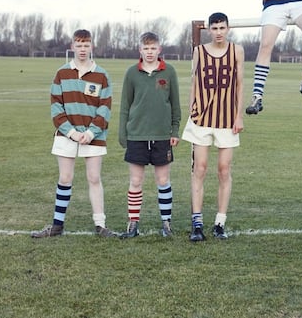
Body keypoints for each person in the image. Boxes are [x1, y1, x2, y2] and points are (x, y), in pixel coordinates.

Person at [32, 29, 116, 238]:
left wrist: (90, 133)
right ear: (72, 47)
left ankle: (100, 225)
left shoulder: (102, 75)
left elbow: (105, 108)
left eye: (86, 45)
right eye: (78, 45)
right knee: (65, 177)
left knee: (94, 178)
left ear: (91, 47)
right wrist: (71, 133)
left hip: (93, 136)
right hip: (66, 135)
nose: (82, 49)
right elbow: (56, 109)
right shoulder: (62, 73)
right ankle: (57, 225)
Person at [182, 12, 245, 242]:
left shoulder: (236, 50)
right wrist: (192, 110)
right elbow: (193, 82)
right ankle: (196, 223)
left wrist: (238, 116)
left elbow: (239, 84)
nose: (218, 32)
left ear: (228, 28)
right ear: (209, 29)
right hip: (202, 118)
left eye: (222, 28)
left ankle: (220, 222)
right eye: (215, 28)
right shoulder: (198, 51)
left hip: (227, 119)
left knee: (223, 169)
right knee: (199, 168)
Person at [118, 32, 181, 238]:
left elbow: (175, 104)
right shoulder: (131, 73)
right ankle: (133, 223)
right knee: (136, 181)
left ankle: (166, 223)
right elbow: (125, 106)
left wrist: (174, 130)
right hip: (136, 134)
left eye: (153, 48)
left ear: (159, 49)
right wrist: (123, 132)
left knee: (163, 180)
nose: (150, 52)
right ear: (140, 50)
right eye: (146, 48)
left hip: (162, 135)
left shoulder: (168, 72)